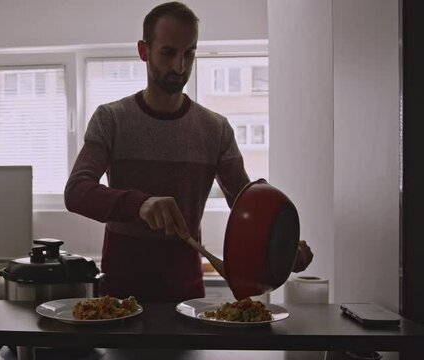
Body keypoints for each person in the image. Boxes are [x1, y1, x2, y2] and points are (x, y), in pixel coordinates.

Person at [64, 1, 313, 302]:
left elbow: (246, 204)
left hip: (187, 297)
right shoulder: (112, 119)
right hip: (119, 298)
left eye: (189, 53)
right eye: (168, 53)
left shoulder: (216, 129)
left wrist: (284, 249)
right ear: (144, 51)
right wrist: (139, 204)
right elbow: (76, 192)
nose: (180, 66)